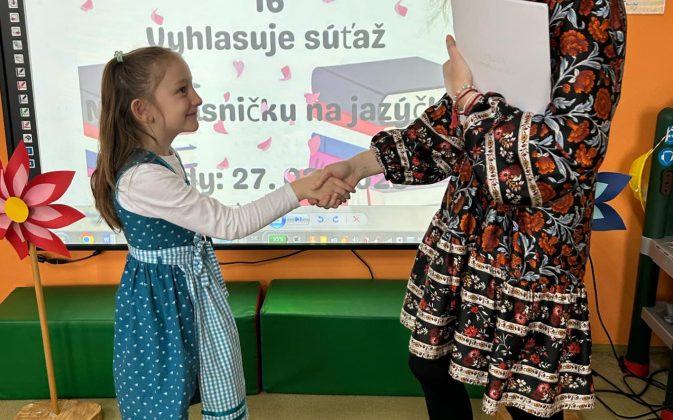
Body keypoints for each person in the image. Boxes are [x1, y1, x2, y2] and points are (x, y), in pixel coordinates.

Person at [311, 0, 627, 418]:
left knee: (527, 398)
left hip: (536, 245)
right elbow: (451, 127)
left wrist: (467, 97)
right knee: (429, 365)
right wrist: (358, 167)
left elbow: (569, 150)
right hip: (465, 225)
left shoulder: (591, 8)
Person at [90, 46, 354, 420]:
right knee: (162, 393)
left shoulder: (163, 158)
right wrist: (301, 189)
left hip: (184, 287)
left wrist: (307, 188)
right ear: (143, 110)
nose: (196, 98)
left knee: (212, 374)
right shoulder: (143, 177)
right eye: (182, 90)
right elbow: (230, 224)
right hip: (161, 301)